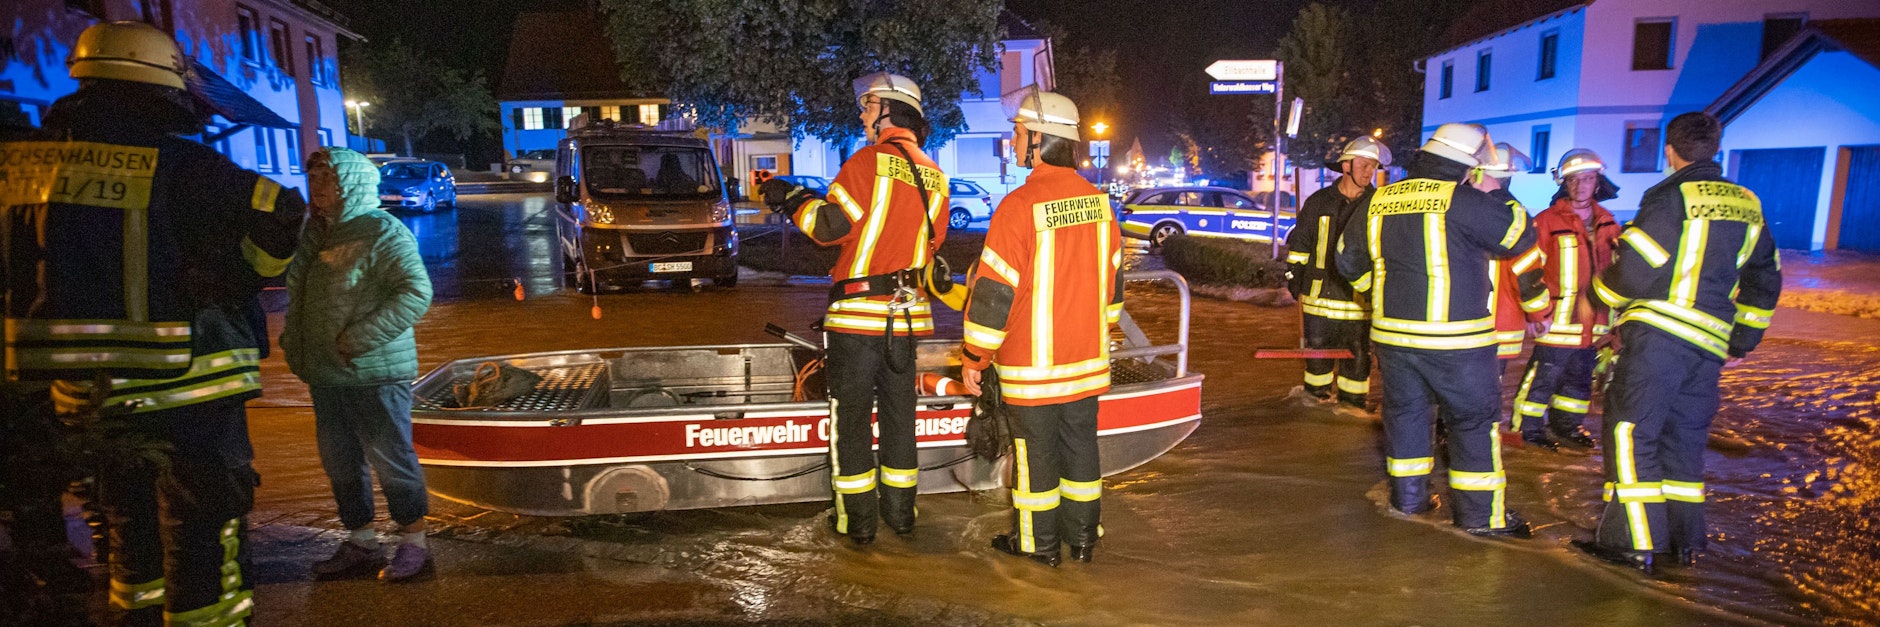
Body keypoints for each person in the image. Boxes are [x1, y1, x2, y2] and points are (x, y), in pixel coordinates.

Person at [1, 21, 304, 625]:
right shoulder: (183, 163)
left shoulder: (22, 167)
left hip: (70, 388)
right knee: (202, 514)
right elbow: (279, 211)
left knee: (122, 513)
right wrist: (237, 279)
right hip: (185, 379)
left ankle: (134, 614)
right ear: (160, 85)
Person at [1576, 112, 1781, 573]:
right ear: (1716, 147)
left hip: (1660, 338)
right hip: (1708, 347)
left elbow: (1636, 267)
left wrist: (1595, 296)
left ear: (1670, 151)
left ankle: (1633, 542)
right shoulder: (1748, 202)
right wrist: (1743, 338)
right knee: (1683, 442)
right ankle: (1682, 542)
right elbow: (1765, 276)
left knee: (1630, 434)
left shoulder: (1670, 196)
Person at [759, 73, 949, 545]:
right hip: (906, 319)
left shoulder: (866, 162)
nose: (861, 115)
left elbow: (828, 227)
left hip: (857, 318)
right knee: (901, 417)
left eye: (867, 107)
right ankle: (902, 516)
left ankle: (856, 521)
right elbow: (933, 244)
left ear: (887, 111)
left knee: (852, 420)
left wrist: (791, 198)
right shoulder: (935, 175)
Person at [1334, 123, 1538, 538]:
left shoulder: (1379, 200)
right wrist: (1498, 190)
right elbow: (1518, 235)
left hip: (1393, 339)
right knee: (1472, 424)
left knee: (1406, 418)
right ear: (1468, 168)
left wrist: (1379, 294)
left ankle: (1409, 503)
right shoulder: (1463, 201)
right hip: (1458, 344)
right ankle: (1480, 520)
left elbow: (1347, 260)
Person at [957, 86, 1122, 567]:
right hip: (1087, 363)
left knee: (1035, 459)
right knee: (1082, 455)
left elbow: (994, 295)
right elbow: (1114, 289)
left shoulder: (1018, 206)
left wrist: (974, 358)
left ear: (1038, 139)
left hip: (1033, 370)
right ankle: (1084, 541)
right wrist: (1096, 334)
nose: (1011, 142)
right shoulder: (1099, 204)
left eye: (1017, 133)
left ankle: (1038, 546)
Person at [280, 147, 435, 582]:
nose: (317, 186)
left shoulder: (383, 231)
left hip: (376, 372)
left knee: (391, 458)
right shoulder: (316, 235)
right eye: (312, 178)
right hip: (326, 373)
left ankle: (414, 542)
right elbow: (301, 297)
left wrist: (358, 339)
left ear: (350, 182)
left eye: (326, 177)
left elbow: (415, 292)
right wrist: (295, 345)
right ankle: (362, 541)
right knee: (341, 461)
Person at [1510, 149, 1623, 451]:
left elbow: (1618, 270)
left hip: (1595, 321)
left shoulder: (1609, 222)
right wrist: (1537, 315)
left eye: (1587, 179)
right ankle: (1527, 429)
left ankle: (1567, 426)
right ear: (1564, 183)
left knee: (1579, 380)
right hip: (1555, 321)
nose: (1581, 186)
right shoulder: (1546, 221)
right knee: (1542, 378)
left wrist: (1618, 321)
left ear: (1597, 182)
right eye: (1574, 180)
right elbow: (1528, 268)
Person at [1285, 137, 1390, 411]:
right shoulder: (1319, 202)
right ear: (1346, 166)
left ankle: (1352, 409)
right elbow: (1301, 245)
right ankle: (1315, 410)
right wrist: (1293, 276)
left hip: (1360, 300)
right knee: (1317, 361)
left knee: (1357, 360)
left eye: (1374, 166)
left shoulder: (1378, 204)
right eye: (1364, 165)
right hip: (1318, 299)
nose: (1369, 172)